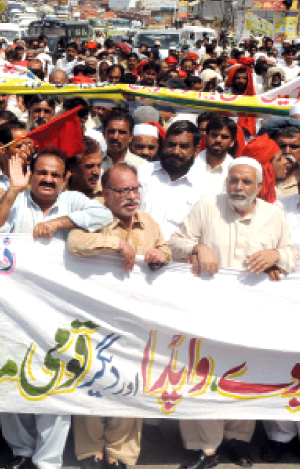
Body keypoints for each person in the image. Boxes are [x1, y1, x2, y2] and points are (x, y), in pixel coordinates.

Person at [0, 148, 112, 469]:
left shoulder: (74, 201)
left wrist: (60, 222)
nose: (48, 179)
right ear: (31, 174)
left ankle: (48, 461)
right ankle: (21, 452)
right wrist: (13, 190)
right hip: (12, 308)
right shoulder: (15, 201)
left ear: (65, 178)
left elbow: (105, 216)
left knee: (55, 385)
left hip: (58, 311)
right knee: (11, 379)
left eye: (55, 174)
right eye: (42, 172)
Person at [169, 158, 298, 469]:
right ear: (226, 182)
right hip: (207, 313)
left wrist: (276, 255)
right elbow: (175, 243)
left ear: (258, 186)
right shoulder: (206, 206)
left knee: (245, 374)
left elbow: (293, 255)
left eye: (246, 182)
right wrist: (198, 248)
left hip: (254, 316)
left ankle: (237, 442)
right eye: (233, 181)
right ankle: (206, 448)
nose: (239, 187)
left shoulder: (273, 214)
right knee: (205, 374)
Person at [67, 163, 169, 469]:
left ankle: (121, 454)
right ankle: (90, 451)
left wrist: (162, 254)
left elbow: (166, 248)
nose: (131, 196)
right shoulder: (93, 215)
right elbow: (75, 243)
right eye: (123, 190)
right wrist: (116, 244)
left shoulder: (148, 222)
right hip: (94, 318)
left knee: (131, 382)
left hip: (136, 320)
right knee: (92, 381)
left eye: (135, 189)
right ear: (106, 193)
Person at [138, 121, 207, 239]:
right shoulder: (143, 172)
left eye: (184, 147)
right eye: (171, 145)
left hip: (174, 256)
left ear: (196, 151)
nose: (176, 151)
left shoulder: (204, 187)